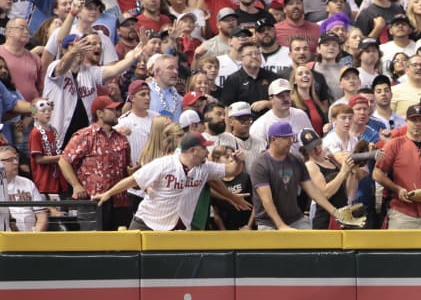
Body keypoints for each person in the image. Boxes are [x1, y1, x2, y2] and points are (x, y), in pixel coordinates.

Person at [95, 133, 246, 230]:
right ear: (193, 151)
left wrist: (238, 162)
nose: (208, 152)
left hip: (177, 225)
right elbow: (133, 179)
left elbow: (231, 171)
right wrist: (108, 193)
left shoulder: (204, 167)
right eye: (204, 149)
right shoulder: (164, 164)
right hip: (148, 221)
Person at [251, 121, 343, 230]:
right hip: (269, 222)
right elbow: (266, 200)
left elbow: (312, 190)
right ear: (274, 139)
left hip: (295, 218)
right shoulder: (260, 164)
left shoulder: (296, 160)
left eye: (291, 137)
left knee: (311, 240)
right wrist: (281, 226)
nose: (290, 142)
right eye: (286, 138)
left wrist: (336, 212)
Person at [58, 96, 131, 230]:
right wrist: (76, 185)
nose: (117, 113)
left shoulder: (122, 139)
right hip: (92, 199)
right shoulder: (85, 135)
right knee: (93, 242)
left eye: (118, 110)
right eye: (113, 109)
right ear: (100, 113)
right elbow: (64, 161)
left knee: (119, 245)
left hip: (119, 200)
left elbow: (126, 169)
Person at [373, 105, 421, 229]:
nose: (417, 124)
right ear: (406, 121)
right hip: (401, 211)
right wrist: (397, 189)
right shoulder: (395, 144)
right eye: (413, 120)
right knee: (400, 248)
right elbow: (376, 173)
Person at [1, 145, 47, 232]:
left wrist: (35, 235)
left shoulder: (27, 183)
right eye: (10, 160)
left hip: (29, 239)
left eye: (16, 158)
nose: (16, 162)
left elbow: (41, 215)